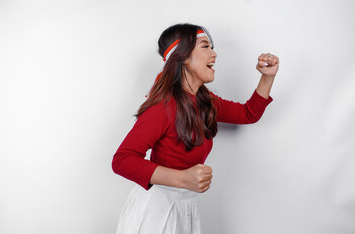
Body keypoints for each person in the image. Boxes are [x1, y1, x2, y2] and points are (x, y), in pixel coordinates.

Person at [112, 23, 279, 234]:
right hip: (156, 212)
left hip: (185, 206)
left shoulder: (205, 100)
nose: (214, 54)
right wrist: (183, 178)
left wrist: (267, 76)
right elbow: (122, 160)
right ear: (184, 56)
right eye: (205, 46)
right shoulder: (162, 107)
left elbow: (248, 114)